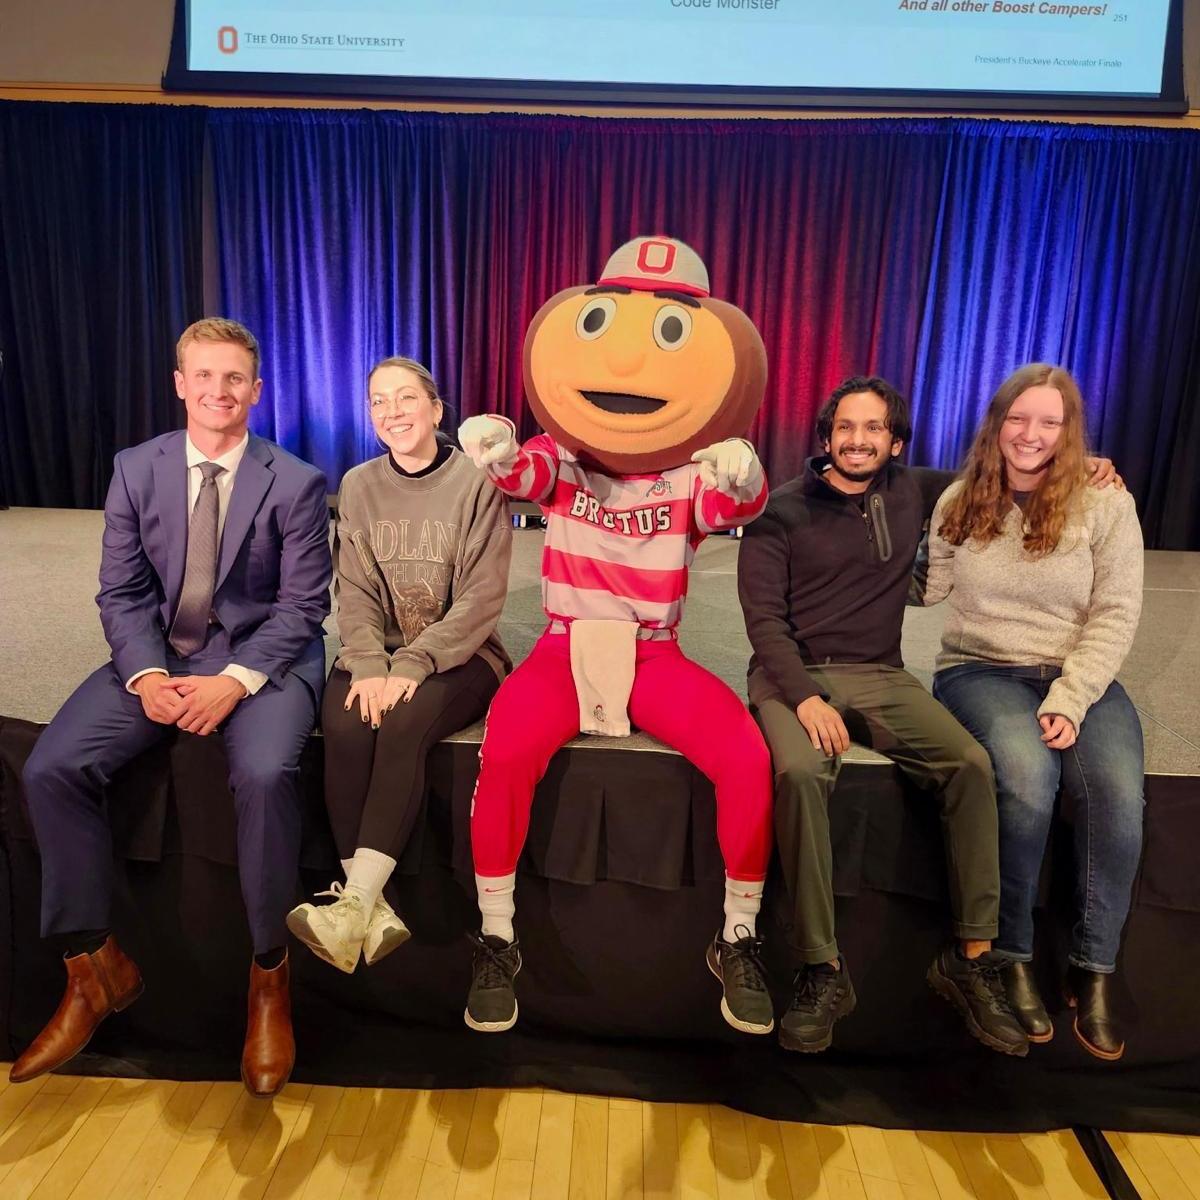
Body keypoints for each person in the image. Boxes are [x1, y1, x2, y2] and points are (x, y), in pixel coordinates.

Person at [737, 375, 1118, 1058]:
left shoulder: (916, 491)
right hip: (792, 677)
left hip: (881, 674)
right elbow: (764, 624)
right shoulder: (780, 511)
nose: (857, 440)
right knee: (799, 774)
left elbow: (1006, 465)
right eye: (845, 427)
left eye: (873, 428)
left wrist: (1080, 462)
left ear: (896, 442)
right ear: (826, 436)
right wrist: (804, 698)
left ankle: (971, 956)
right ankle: (822, 968)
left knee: (970, 764)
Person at [457, 235, 776, 1037]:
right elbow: (523, 475)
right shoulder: (562, 457)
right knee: (505, 753)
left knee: (746, 756)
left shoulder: (691, 475)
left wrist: (745, 471)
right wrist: (496, 450)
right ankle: (496, 937)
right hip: (564, 648)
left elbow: (735, 504)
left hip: (653, 654)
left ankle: (738, 936)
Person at [13, 318, 331, 1097]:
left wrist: (236, 680)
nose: (220, 391)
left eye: (235, 379)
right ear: (180, 384)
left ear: (256, 391)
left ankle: (269, 980)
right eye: (205, 376)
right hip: (164, 655)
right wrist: (148, 675)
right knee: (51, 767)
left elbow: (302, 608)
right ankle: (93, 969)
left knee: (265, 775)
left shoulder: (296, 481)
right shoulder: (136, 467)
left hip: (264, 659)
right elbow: (121, 592)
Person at [923, 363, 1143, 1061]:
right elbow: (926, 587)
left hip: (1078, 674)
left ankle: (1093, 966)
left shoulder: (1104, 502)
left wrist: (1071, 699)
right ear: (997, 423)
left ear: (1068, 430)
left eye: (1049, 421)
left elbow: (1116, 612)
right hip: (978, 669)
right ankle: (1009, 955)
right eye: (1019, 418)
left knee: (1118, 795)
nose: (1031, 434)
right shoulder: (962, 499)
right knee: (1025, 777)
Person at [287, 357, 512, 972]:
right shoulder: (360, 484)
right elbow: (355, 589)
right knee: (345, 726)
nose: (393, 412)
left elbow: (481, 599)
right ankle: (366, 910)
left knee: (403, 726)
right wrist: (366, 663)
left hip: (460, 654)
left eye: (407, 397)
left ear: (436, 409)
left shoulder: (477, 481)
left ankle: (354, 903)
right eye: (379, 401)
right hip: (376, 653)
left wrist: (413, 663)